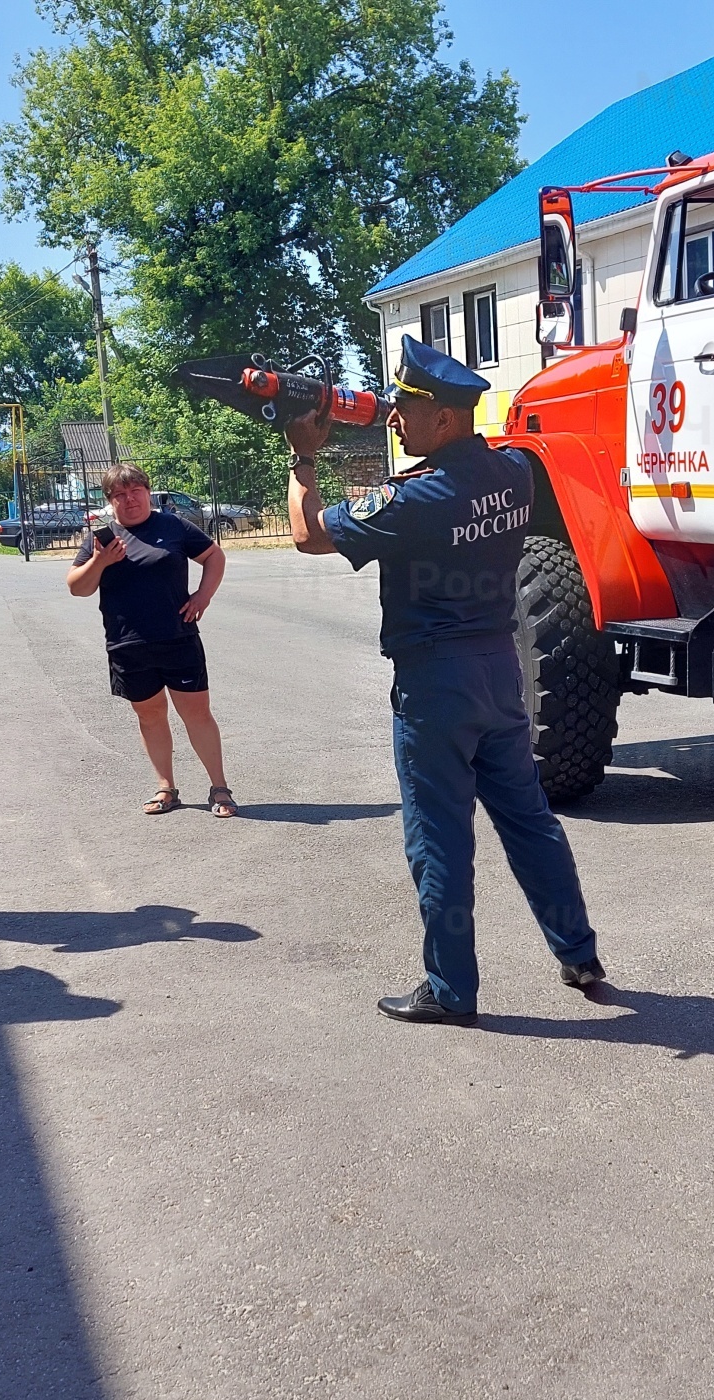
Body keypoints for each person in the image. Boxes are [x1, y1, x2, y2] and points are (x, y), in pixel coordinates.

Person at [285, 334, 603, 1025]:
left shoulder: (418, 500)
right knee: (529, 821)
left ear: (446, 418)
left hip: (436, 683)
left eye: (407, 406)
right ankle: (578, 951)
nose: (394, 417)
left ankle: (452, 991)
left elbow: (307, 534)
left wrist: (303, 454)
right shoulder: (513, 472)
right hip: (498, 669)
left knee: (439, 839)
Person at [66, 462, 235, 816]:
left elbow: (214, 556)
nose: (129, 500)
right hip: (128, 645)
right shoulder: (102, 538)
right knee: (150, 717)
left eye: (135, 491)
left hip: (177, 638)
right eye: (120, 495)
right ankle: (165, 788)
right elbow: (77, 588)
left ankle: (220, 789)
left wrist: (203, 596)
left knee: (197, 714)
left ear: (147, 492)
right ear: (110, 501)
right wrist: (99, 562)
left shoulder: (171, 525)